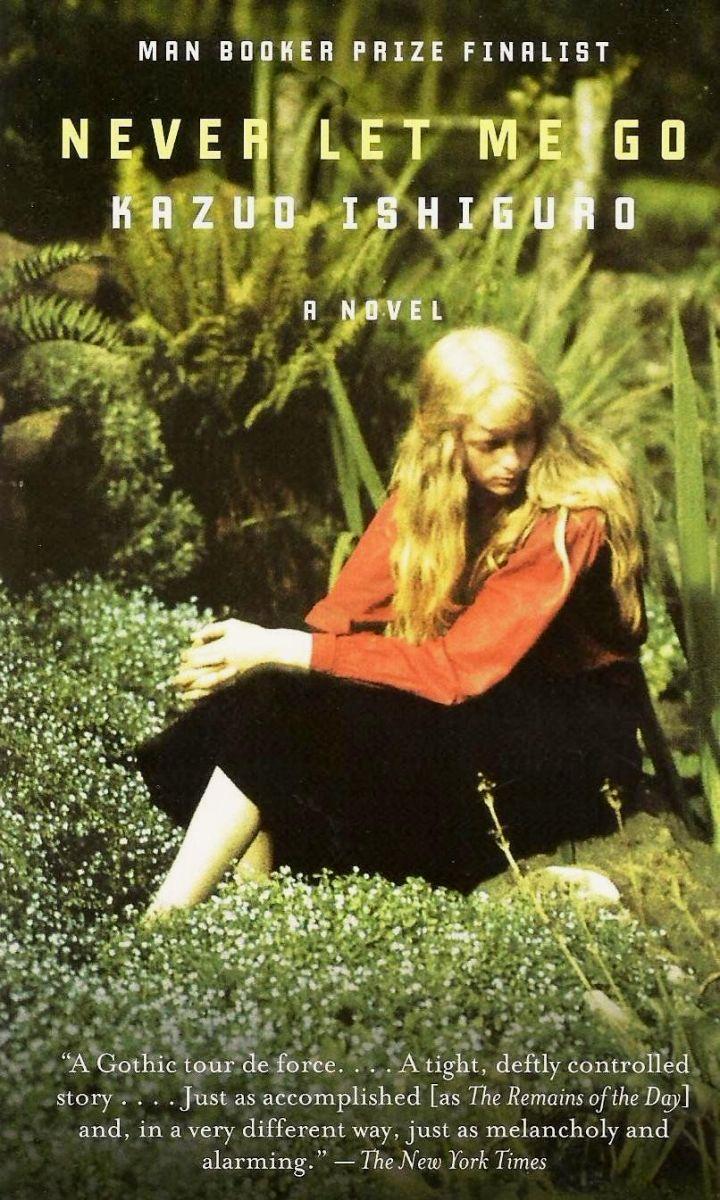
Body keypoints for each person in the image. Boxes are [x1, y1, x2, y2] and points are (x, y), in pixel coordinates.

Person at [136, 327, 646, 920]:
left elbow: (457, 670)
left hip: (564, 752)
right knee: (243, 712)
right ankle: (253, 907)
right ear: (444, 438)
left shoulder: (572, 515)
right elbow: (343, 614)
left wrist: (279, 650)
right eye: (491, 443)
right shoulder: (433, 488)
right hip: (482, 717)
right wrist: (244, 666)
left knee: (275, 708)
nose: (513, 461)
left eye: (524, 437)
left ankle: (168, 922)